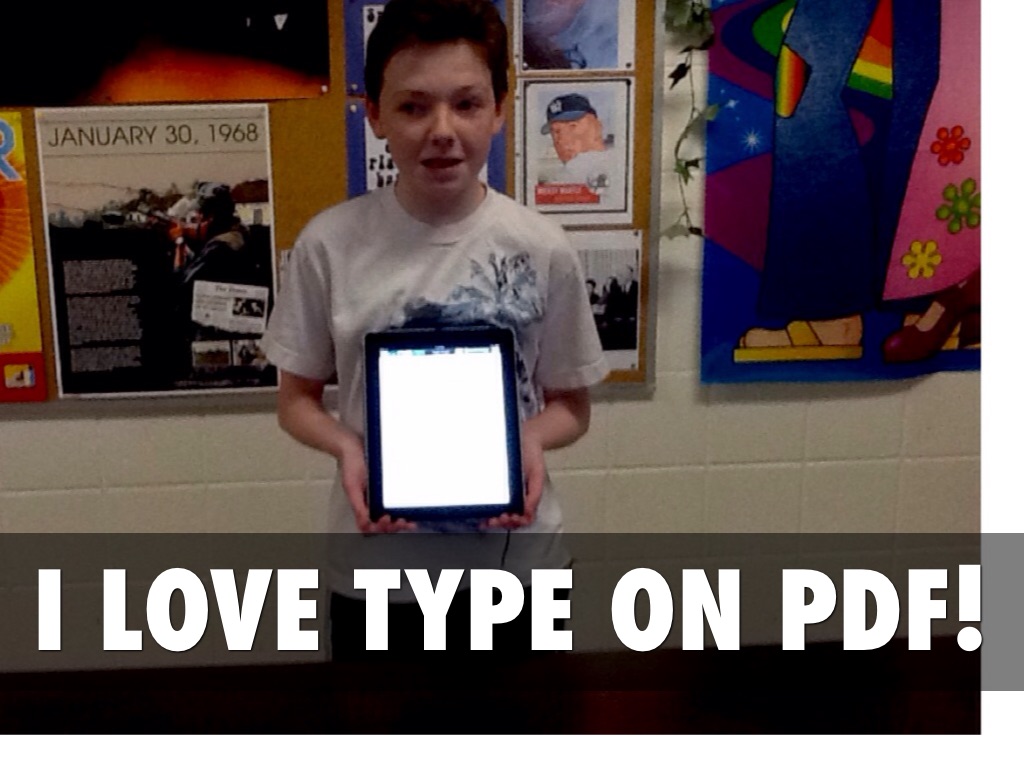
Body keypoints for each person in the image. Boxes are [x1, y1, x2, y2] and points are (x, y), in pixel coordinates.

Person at [260, 0, 608, 654]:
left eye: (467, 104)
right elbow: (295, 402)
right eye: (414, 107)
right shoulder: (329, 245)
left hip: (519, 574)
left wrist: (528, 441)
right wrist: (350, 449)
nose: (442, 130)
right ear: (375, 113)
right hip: (378, 581)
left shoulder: (542, 247)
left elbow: (571, 405)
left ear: (499, 110)